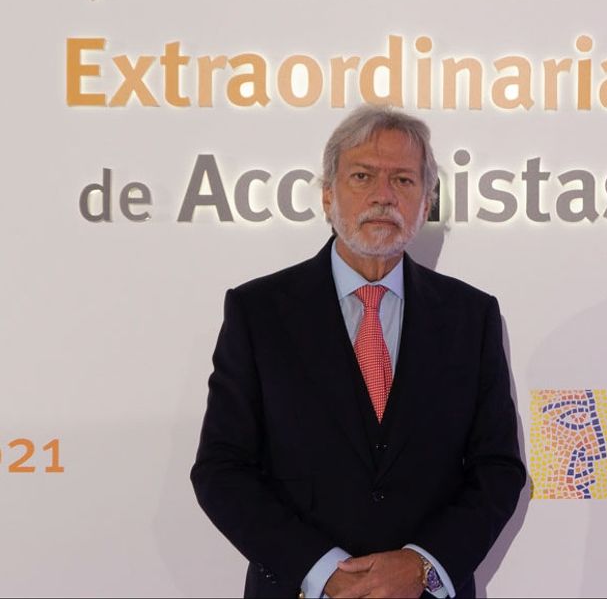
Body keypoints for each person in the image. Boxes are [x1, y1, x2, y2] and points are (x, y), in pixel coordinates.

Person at [191, 105, 525, 598]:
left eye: (403, 180)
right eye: (363, 176)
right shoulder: (258, 312)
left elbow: (497, 469)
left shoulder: (470, 316)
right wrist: (322, 570)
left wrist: (422, 566)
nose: (383, 196)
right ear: (328, 194)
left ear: (426, 202)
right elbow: (221, 469)